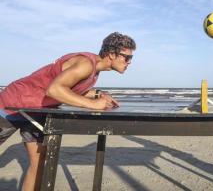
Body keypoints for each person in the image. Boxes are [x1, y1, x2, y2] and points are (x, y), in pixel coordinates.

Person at [0, 32, 136, 191]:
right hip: (12, 104)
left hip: (37, 111)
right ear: (112, 54)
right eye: (127, 57)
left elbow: (70, 87)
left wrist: (98, 94)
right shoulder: (86, 63)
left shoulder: (94, 69)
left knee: (39, 162)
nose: (129, 62)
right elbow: (55, 89)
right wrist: (93, 105)